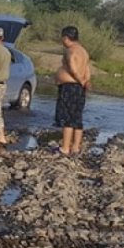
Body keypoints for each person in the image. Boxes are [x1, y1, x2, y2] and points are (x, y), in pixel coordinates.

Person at [54, 25, 92, 155]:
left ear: (66, 37)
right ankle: (76, 147)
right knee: (77, 117)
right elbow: (87, 68)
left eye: (62, 38)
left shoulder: (70, 50)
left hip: (70, 87)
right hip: (79, 88)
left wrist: (80, 80)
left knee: (67, 117)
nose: (62, 41)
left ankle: (65, 147)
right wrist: (86, 81)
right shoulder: (84, 51)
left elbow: (72, 66)